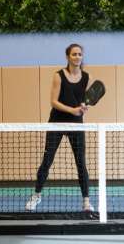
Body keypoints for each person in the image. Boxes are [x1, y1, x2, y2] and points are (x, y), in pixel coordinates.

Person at [27, 43, 93, 212]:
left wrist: (83, 107)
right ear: (67, 57)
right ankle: (36, 196)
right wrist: (72, 110)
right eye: (74, 54)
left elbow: (84, 101)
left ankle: (86, 201)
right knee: (47, 161)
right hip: (56, 122)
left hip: (76, 125)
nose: (77, 57)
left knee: (81, 163)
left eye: (79, 54)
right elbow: (54, 102)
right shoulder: (59, 76)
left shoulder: (87, 77)